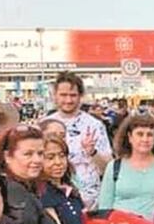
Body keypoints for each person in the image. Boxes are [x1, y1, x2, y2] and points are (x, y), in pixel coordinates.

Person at [46, 72, 113, 209]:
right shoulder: (44, 125)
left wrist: (92, 152)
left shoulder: (94, 125)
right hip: (53, 198)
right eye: (63, 95)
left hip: (90, 201)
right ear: (55, 96)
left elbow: (108, 168)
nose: (68, 100)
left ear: (80, 97)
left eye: (73, 95)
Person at [97, 114, 154, 221]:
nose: (145, 139)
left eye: (150, 135)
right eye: (140, 134)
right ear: (130, 137)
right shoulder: (114, 167)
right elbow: (104, 208)